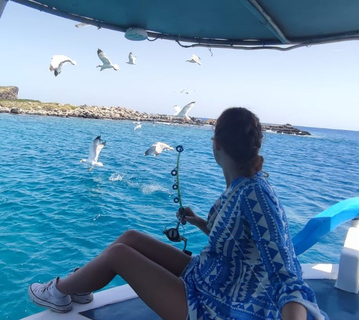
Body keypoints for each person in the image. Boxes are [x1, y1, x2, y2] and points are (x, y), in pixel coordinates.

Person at [28, 107, 327, 320]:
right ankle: (80, 288)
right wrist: (199, 221)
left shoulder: (256, 195)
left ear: (217, 144)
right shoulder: (241, 185)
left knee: (120, 254)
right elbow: (239, 241)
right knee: (131, 237)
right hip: (209, 278)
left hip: (219, 307)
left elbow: (289, 278)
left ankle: (57, 292)